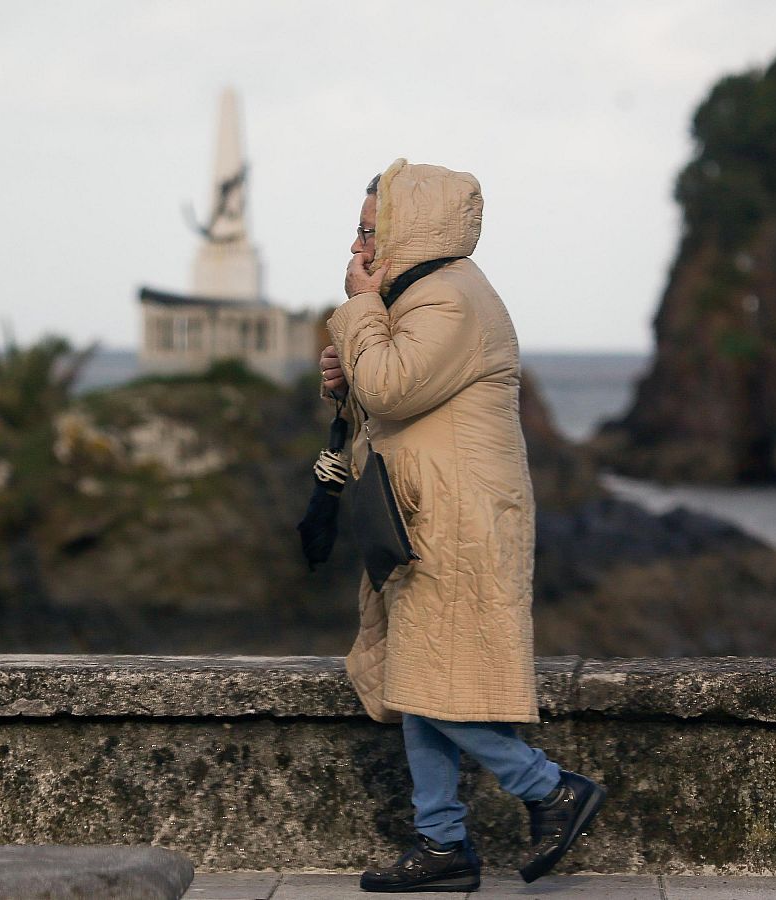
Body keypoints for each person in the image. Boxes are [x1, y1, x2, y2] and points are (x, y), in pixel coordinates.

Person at [320, 159, 605, 893]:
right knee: (425, 674)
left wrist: (357, 311)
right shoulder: (424, 296)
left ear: (411, 228)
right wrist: (348, 368)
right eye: (358, 230)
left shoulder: (447, 301)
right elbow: (388, 404)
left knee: (435, 680)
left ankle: (548, 789)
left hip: (456, 522)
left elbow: (391, 385)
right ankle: (443, 842)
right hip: (432, 514)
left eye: (369, 229)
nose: (359, 245)